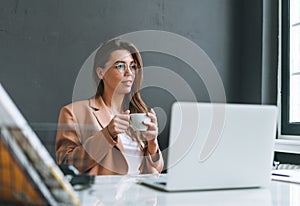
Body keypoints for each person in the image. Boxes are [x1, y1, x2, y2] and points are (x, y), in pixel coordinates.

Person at [56, 39, 164, 175]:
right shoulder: (73, 112)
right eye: (120, 66)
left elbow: (157, 169)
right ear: (101, 73)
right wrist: (107, 134)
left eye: (132, 66)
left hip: (141, 195)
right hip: (102, 195)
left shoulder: (138, 114)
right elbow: (66, 165)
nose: (129, 73)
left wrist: (153, 143)